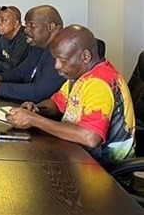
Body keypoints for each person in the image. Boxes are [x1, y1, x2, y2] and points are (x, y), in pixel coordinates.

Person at [7, 25, 136, 165]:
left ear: (85, 56)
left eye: (62, 60)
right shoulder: (79, 76)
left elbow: (90, 137)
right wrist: (35, 109)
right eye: (55, 59)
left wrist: (35, 120)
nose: (56, 66)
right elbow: (57, 103)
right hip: (77, 155)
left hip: (103, 173)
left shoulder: (99, 83)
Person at [0, 5, 64, 103]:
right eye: (26, 24)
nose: (25, 29)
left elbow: (39, 92)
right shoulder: (39, 45)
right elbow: (21, 71)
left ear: (51, 27)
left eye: (32, 25)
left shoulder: (62, 52)